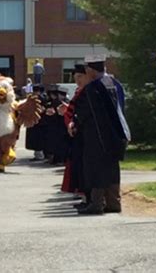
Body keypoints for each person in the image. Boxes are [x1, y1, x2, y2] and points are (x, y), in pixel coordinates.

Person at [72, 54, 129, 215]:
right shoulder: (115, 83)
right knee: (112, 168)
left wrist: (76, 122)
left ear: (90, 70)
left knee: (95, 168)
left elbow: (84, 112)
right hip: (116, 134)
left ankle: (96, 203)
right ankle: (114, 202)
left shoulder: (93, 88)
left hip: (96, 136)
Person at [61, 64, 90, 208]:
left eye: (80, 77)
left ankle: (87, 198)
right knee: (77, 166)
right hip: (77, 135)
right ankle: (83, 197)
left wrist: (72, 121)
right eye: (75, 78)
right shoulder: (79, 91)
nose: (77, 80)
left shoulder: (88, 92)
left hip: (85, 135)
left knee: (83, 166)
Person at [25, 84, 47, 161]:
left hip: (39, 122)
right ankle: (38, 154)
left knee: (38, 139)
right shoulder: (42, 97)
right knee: (36, 139)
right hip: (37, 121)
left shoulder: (41, 98)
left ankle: (40, 155)